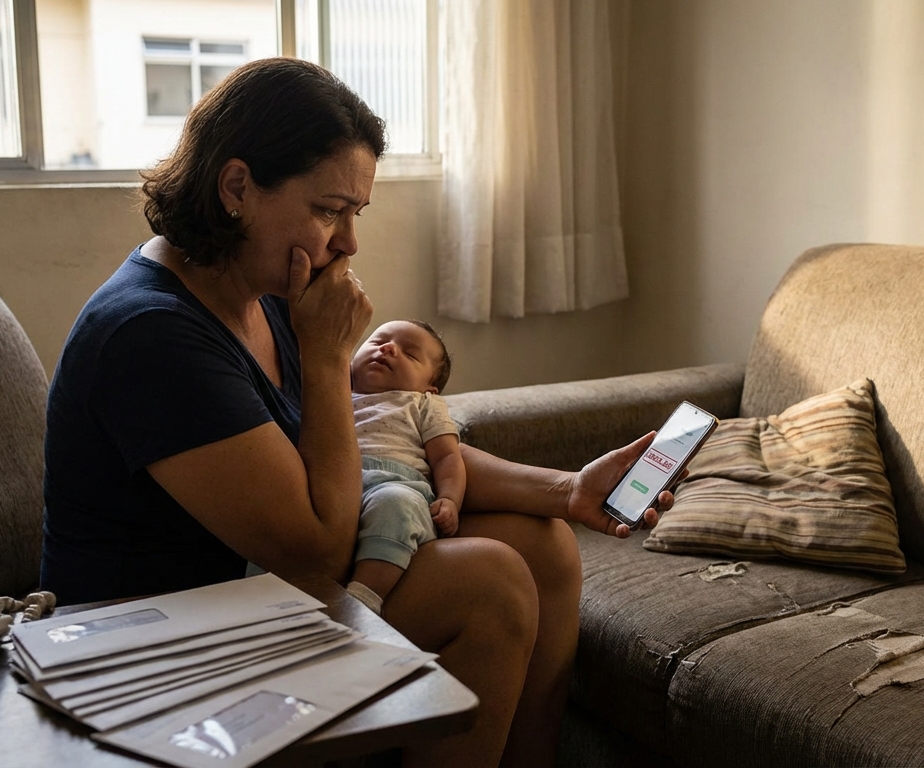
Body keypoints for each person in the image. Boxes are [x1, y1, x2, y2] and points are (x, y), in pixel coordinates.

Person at [40, 57, 672, 767]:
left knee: (544, 543)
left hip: (252, 588)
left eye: (355, 214)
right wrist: (321, 355)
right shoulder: (151, 333)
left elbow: (381, 441)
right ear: (237, 187)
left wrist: (565, 488)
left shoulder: (261, 291)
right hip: (168, 634)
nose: (349, 242)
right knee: (490, 584)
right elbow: (314, 543)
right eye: (329, 210)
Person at [345, 319, 463, 614]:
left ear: (430, 388)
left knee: (395, 504)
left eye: (409, 354)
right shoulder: (333, 391)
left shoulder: (422, 404)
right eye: (377, 341)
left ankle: (362, 599)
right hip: (336, 483)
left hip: (397, 484)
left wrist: (450, 499)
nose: (387, 348)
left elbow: (447, 457)